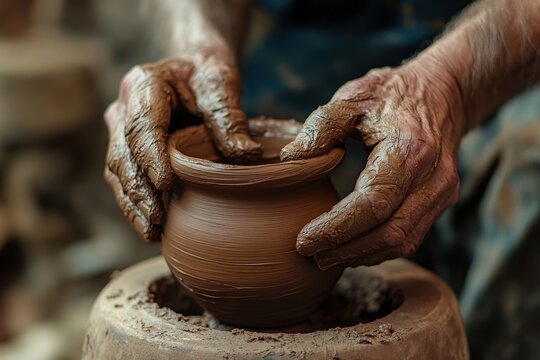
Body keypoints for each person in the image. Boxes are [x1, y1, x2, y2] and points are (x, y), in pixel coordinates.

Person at [104, 0, 540, 357]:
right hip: (319, 44)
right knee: (203, 127)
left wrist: (454, 86)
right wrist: (193, 45)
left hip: (504, 37)